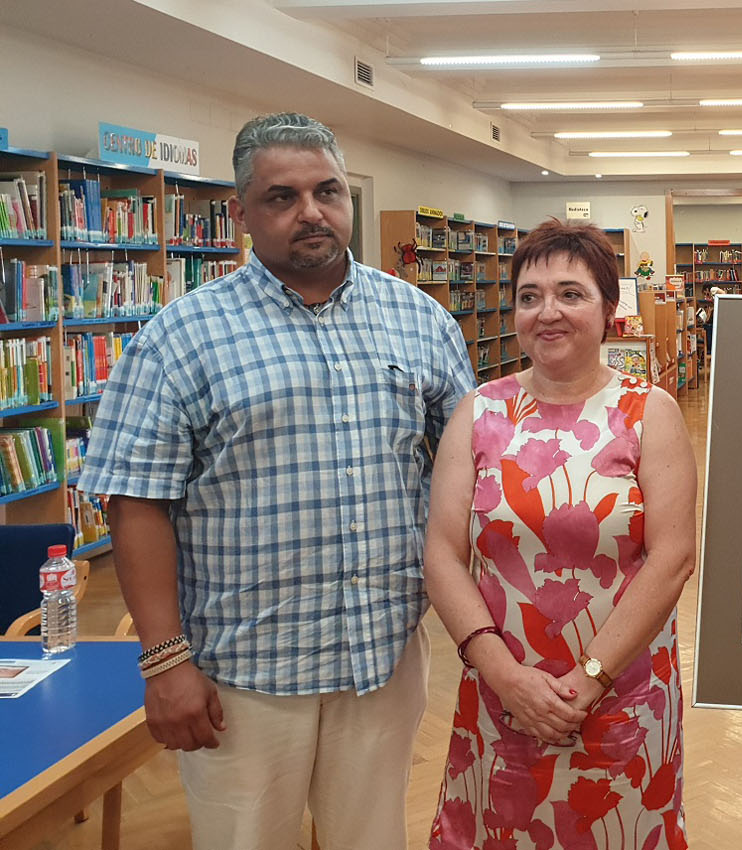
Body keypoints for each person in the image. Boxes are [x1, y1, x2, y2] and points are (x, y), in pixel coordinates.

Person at [78, 112, 477, 850]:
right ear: (240, 212)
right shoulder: (180, 337)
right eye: (281, 197)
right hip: (244, 674)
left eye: (328, 191)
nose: (311, 213)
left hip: (381, 656)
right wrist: (165, 662)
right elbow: (136, 502)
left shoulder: (419, 320)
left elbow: (468, 469)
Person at [425, 219, 697, 849]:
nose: (547, 312)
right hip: (501, 693)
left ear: (608, 309)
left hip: (620, 694)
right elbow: (442, 553)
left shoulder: (649, 412)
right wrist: (506, 677)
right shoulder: (478, 413)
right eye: (529, 296)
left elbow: (673, 558)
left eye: (571, 293)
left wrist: (589, 679)